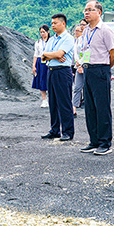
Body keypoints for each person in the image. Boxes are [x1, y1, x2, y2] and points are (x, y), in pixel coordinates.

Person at [79, 1, 114, 156]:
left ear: (99, 12)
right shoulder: (86, 31)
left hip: (101, 69)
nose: (87, 12)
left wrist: (105, 69)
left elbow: (113, 54)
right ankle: (93, 140)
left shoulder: (105, 31)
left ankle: (104, 142)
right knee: (90, 107)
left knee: (102, 107)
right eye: (85, 10)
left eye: (90, 10)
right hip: (88, 69)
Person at [41, 13, 75, 141]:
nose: (53, 25)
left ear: (63, 23)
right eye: (52, 23)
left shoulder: (68, 38)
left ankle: (67, 131)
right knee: (53, 102)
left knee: (64, 102)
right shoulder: (51, 39)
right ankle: (54, 130)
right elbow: (43, 56)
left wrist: (51, 54)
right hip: (51, 71)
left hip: (62, 71)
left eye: (55, 23)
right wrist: (52, 55)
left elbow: (60, 53)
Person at [32, 25, 50, 108]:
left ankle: (51, 99)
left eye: (44, 32)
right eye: (41, 32)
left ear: (48, 32)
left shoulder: (51, 41)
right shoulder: (38, 42)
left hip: (49, 60)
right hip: (40, 62)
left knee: (49, 79)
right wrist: (34, 65)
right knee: (41, 80)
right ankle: (44, 100)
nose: (42, 34)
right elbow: (36, 54)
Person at [72, 20, 87, 115]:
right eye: (81, 25)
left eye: (84, 25)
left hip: (87, 66)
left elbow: (88, 52)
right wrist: (78, 63)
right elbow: (76, 52)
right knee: (77, 87)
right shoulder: (79, 39)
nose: (82, 27)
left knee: (88, 89)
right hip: (79, 66)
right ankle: (73, 109)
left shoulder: (89, 38)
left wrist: (81, 64)